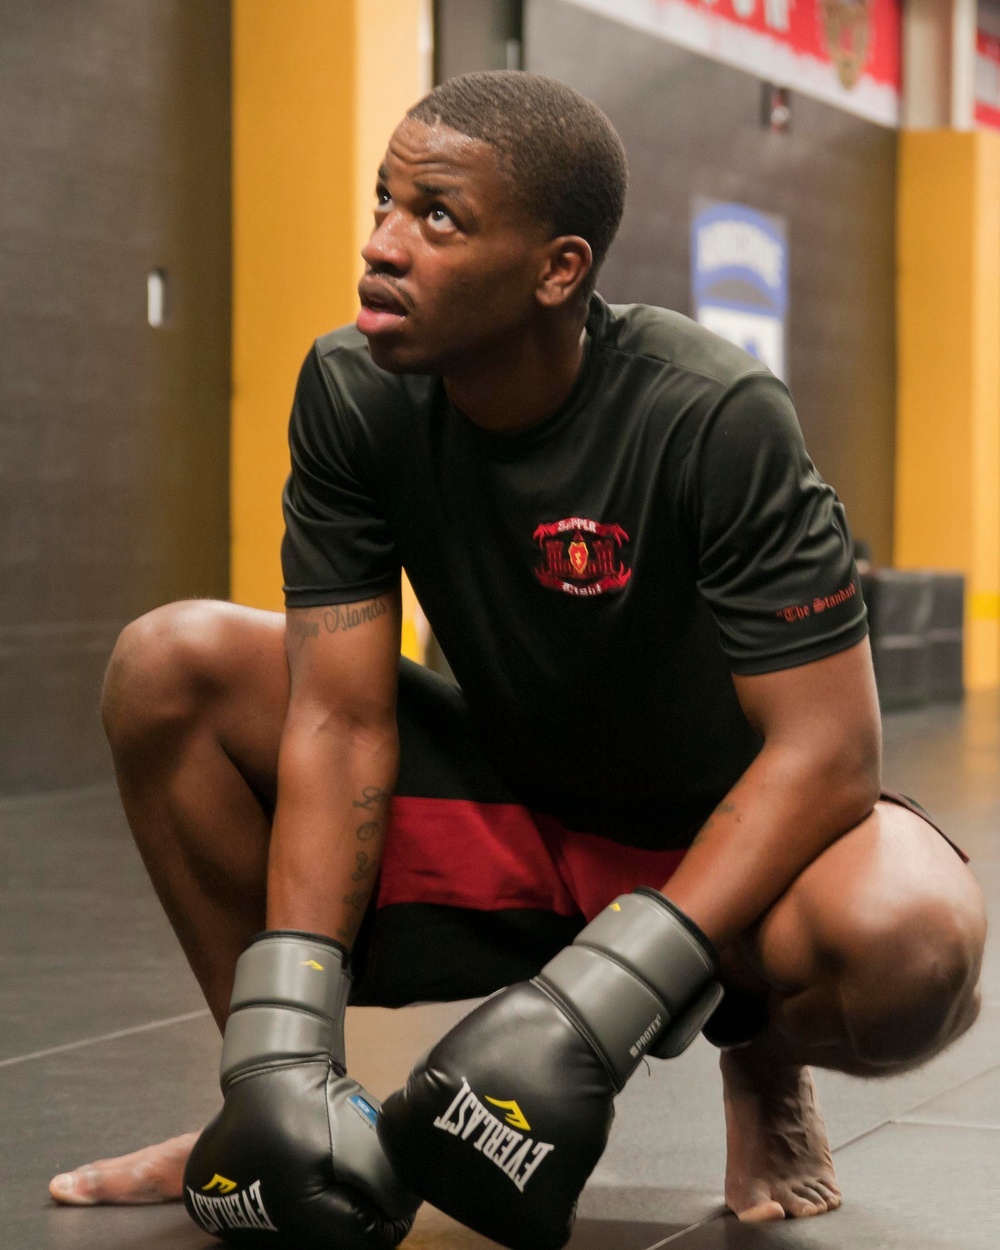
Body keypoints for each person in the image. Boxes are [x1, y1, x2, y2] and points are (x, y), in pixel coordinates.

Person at [50, 71, 985, 1231]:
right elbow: (338, 720)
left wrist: (594, 1007)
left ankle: (763, 1067)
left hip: (717, 836)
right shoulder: (353, 390)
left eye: (436, 217)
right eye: (382, 200)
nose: (383, 243)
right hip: (510, 806)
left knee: (911, 941)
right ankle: (287, 1096)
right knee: (167, 662)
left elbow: (830, 750)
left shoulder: (711, 412)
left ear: (560, 269)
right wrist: (273, 1067)